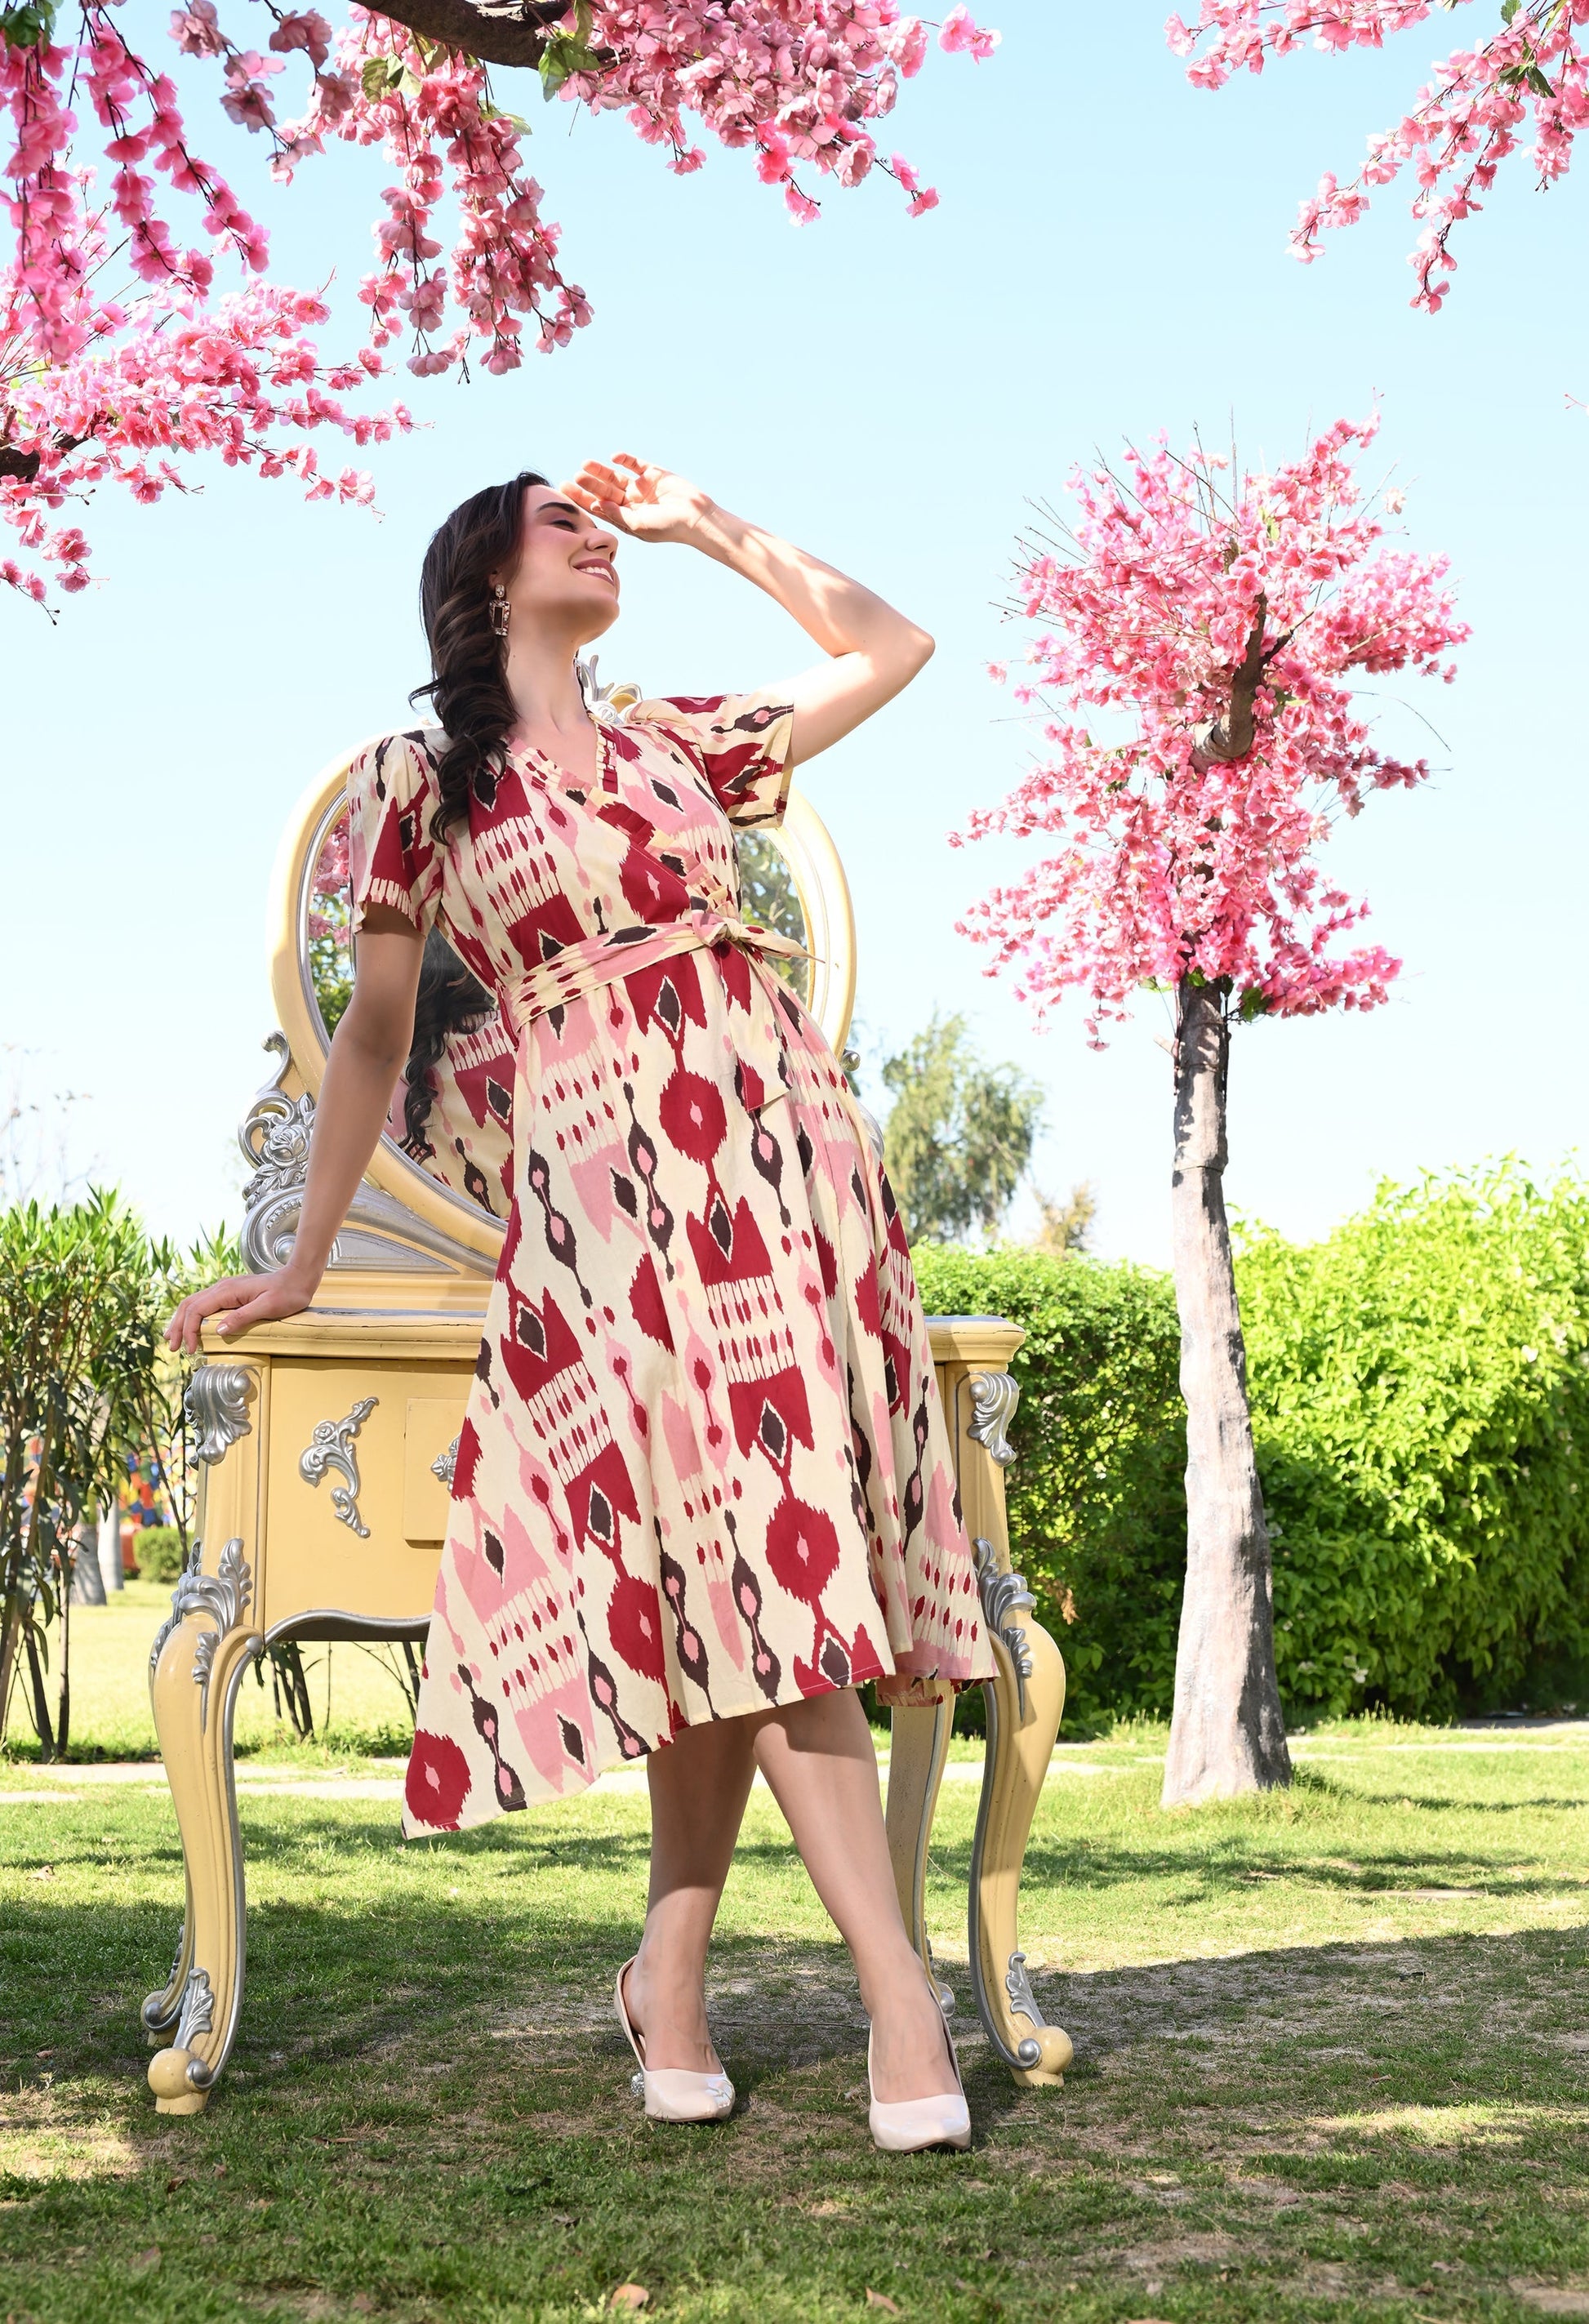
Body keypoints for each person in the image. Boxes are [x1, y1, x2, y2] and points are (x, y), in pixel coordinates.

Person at [168, 457, 995, 2153]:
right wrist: (305, 1262)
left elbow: (891, 648)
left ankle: (667, 1982)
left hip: (784, 1166)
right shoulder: (421, 780)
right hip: (611, 1202)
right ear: (482, 576)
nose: (601, 535)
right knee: (761, 1566)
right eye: (567, 521)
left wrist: (712, 527)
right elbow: (376, 1034)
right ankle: (899, 1995)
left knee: (738, 1579)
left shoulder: (679, 741)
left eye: (608, 525)